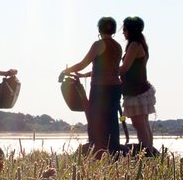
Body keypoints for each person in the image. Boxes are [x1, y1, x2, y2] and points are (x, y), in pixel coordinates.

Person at [60, 17, 122, 155]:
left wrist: (65, 71)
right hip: (115, 87)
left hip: (101, 88)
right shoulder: (117, 46)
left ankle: (98, 149)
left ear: (99, 29)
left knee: (96, 119)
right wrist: (83, 76)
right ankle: (113, 149)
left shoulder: (99, 44)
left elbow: (83, 64)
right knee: (111, 120)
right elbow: (109, 68)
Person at [119, 16, 157, 155]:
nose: (123, 32)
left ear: (130, 30)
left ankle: (146, 153)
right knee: (143, 125)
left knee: (140, 125)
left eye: (124, 29)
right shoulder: (140, 44)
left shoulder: (134, 45)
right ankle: (149, 152)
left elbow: (124, 68)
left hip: (136, 91)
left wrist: (103, 71)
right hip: (139, 89)